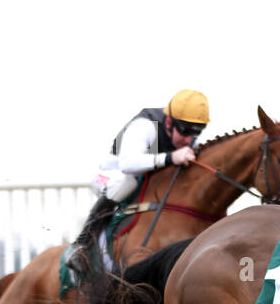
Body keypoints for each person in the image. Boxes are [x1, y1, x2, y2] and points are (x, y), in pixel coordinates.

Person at [68, 89, 210, 273]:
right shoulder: (145, 125)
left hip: (144, 179)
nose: (189, 139)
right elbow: (128, 164)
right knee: (126, 182)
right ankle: (81, 245)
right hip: (110, 174)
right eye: (185, 131)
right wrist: (170, 157)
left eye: (196, 132)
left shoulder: (187, 139)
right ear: (169, 122)